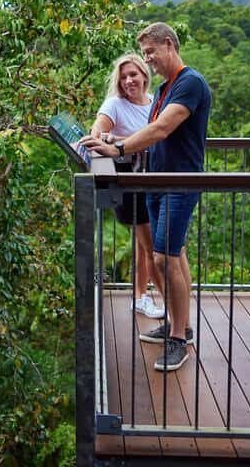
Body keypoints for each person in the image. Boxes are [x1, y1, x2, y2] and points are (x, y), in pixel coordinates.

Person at [81, 22, 211, 372]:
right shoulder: (166, 88)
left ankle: (179, 339)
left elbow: (161, 129)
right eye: (145, 54)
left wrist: (119, 148)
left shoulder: (190, 83)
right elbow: (147, 131)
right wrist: (108, 141)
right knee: (171, 256)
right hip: (155, 182)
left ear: (169, 44)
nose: (148, 59)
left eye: (151, 52)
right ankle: (179, 325)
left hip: (178, 183)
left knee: (164, 259)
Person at [89, 53, 163, 319]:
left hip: (153, 179)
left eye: (133, 75)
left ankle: (140, 297)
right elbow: (97, 133)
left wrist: (123, 139)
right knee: (152, 246)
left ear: (144, 75)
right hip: (130, 182)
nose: (128, 81)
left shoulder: (155, 102)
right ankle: (172, 306)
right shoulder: (115, 104)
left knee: (144, 245)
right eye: (123, 77)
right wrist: (117, 140)